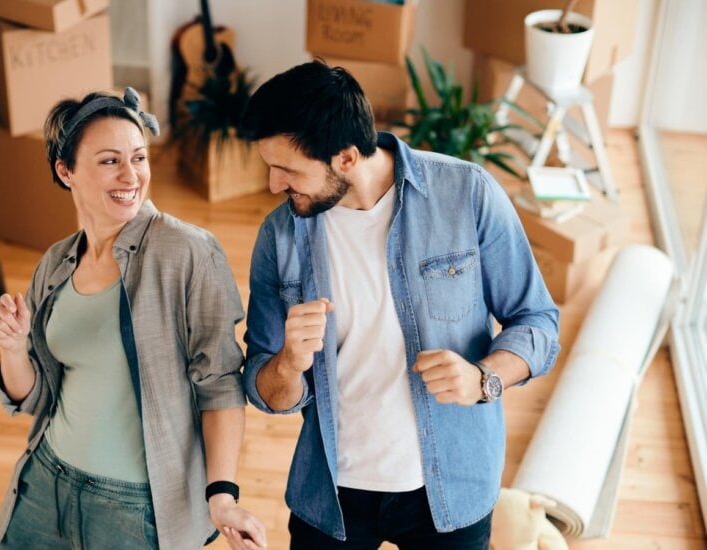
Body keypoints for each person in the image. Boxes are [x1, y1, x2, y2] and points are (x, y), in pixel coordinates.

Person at [239, 61, 561, 549]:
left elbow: (538, 321)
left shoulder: (465, 194)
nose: (273, 184)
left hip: (451, 489)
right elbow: (265, 389)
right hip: (332, 498)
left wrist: (483, 378)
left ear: (346, 158)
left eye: (287, 169)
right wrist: (288, 363)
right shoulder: (280, 237)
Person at [0, 87, 266, 550]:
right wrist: (12, 348)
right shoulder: (55, 264)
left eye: (138, 157)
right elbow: (30, 398)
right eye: (110, 161)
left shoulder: (187, 251)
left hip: (134, 508)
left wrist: (222, 497)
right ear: (65, 170)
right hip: (46, 481)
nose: (131, 175)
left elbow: (219, 382)